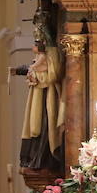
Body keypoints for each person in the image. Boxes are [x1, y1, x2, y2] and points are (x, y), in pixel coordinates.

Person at [16, 36, 64, 174]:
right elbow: (35, 71)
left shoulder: (48, 57)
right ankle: (35, 159)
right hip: (39, 97)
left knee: (45, 126)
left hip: (47, 98)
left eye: (36, 44)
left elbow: (50, 77)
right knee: (37, 126)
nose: (33, 47)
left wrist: (34, 74)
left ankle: (43, 159)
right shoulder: (40, 58)